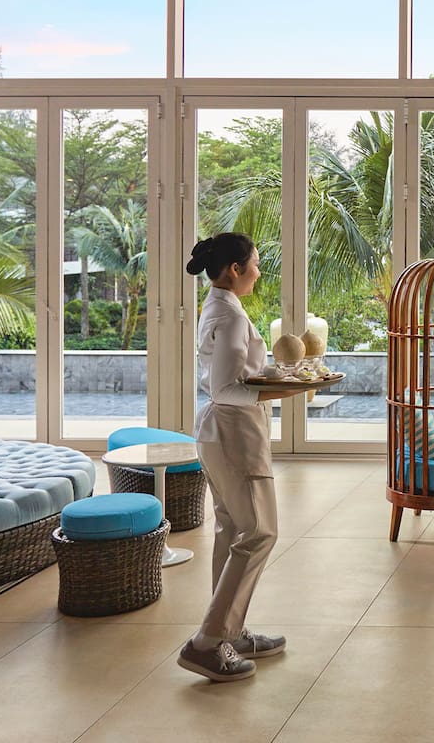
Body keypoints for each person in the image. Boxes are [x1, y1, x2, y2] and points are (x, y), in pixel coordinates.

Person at [178, 233, 287, 683]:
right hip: (234, 433)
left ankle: (231, 632)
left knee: (233, 529)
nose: (259, 272)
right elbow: (227, 389)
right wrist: (283, 388)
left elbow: (227, 378)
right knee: (260, 531)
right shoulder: (231, 315)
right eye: (255, 264)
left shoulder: (218, 307)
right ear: (235, 269)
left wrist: (268, 379)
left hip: (218, 431)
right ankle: (208, 640)